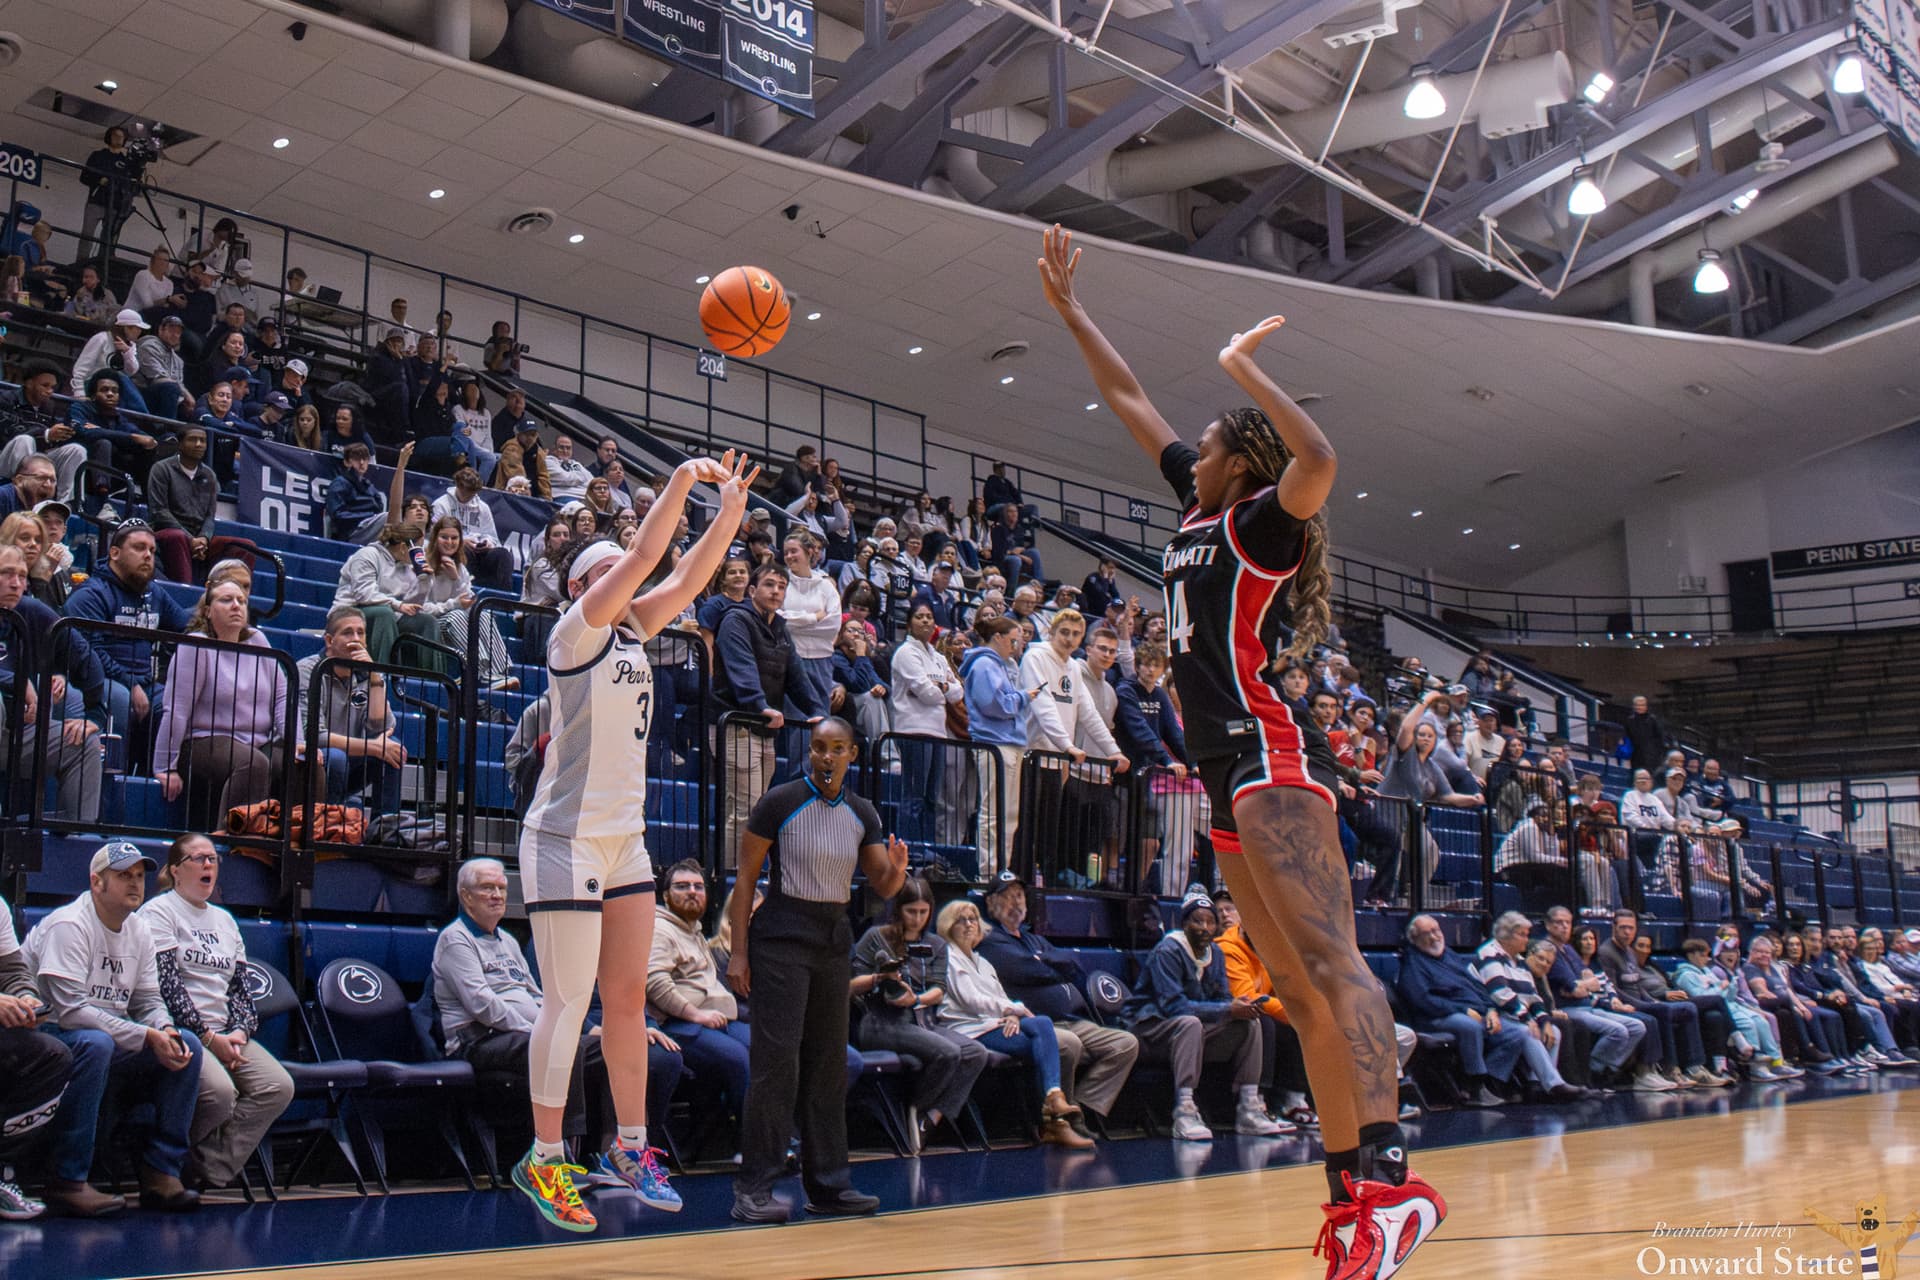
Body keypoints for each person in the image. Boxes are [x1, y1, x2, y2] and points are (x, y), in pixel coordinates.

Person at [1046, 218, 1439, 1267]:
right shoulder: (1195, 510)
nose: (1193, 449)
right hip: (1220, 774)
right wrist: (1073, 311)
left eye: (1210, 442)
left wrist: (1242, 366)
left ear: (1236, 460)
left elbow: (1321, 454)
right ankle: (1353, 1193)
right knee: (1294, 988)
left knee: (1331, 961)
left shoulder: (1267, 518)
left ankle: (1396, 1179)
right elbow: (1131, 400)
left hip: (1271, 757)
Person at [512, 452, 752, 1233]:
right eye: (613, 569)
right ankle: (545, 1158)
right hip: (563, 838)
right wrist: (683, 481)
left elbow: (683, 581)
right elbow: (653, 556)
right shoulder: (574, 633)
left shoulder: (633, 634)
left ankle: (631, 1145)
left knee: (623, 999)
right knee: (568, 999)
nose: (632, 577)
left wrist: (730, 513)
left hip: (625, 840)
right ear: (586, 585)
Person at [727, 718, 912, 1221]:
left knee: (829, 1066)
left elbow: (884, 886)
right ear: (809, 752)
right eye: (818, 748)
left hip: (832, 942)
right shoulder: (780, 802)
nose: (826, 757)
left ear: (852, 754)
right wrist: (738, 953)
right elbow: (745, 881)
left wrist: (897, 867)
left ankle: (829, 1186)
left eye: (836, 749)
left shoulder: (863, 812)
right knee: (776, 1065)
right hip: (780, 938)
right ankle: (754, 1189)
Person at [434, 858, 684, 1165]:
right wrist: (544, 1031)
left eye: (501, 887)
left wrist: (569, 1027)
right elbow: (485, 1007)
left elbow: (537, 996)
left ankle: (616, 1151)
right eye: (487, 888)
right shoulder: (455, 939)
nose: (497, 895)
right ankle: (564, 1152)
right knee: (560, 1047)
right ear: (465, 895)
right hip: (477, 1040)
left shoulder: (508, 941)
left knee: (610, 1049)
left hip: (522, 1035)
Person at [24, 843, 205, 1216]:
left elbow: (149, 1001)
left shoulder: (139, 930)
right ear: (96, 882)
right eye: (124, 875)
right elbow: (71, 1012)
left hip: (107, 1037)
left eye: (139, 876)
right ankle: (67, 1180)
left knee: (186, 1045)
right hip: (47, 1039)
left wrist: (164, 1030)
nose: (134, 884)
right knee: (96, 1043)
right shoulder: (69, 924)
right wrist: (145, 1036)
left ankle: (160, 1172)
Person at [139, 834, 293, 1189]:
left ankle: (204, 1167)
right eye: (199, 859)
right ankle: (160, 1162)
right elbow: (166, 986)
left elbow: (240, 988)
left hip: (225, 1033)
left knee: (277, 1086)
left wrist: (239, 1031)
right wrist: (209, 1038)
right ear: (176, 871)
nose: (209, 865)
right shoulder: (159, 912)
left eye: (213, 858)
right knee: (221, 1096)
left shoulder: (224, 920)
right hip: (182, 1031)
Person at [977, 873, 1141, 1132]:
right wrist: (1050, 967)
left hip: (1071, 1020)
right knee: (1070, 1045)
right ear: (990, 904)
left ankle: (1082, 1109)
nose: (1015, 903)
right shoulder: (990, 940)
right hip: (1035, 1026)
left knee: (1125, 1044)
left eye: (1019, 896)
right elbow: (1028, 970)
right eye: (1007, 898)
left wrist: (1048, 964)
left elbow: (1072, 965)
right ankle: (1060, 1120)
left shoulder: (1034, 939)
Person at [1125, 888, 1286, 1140]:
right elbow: (1174, 1007)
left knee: (1249, 1022)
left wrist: (1236, 1007)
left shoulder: (1216, 954)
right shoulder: (1168, 951)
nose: (1205, 927)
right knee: (1190, 1023)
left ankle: (1249, 1108)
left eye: (1210, 922)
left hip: (1190, 1031)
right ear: (1184, 923)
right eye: (1197, 920)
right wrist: (1227, 1008)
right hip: (1149, 1028)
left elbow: (1222, 998)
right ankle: (1184, 1111)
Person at [935, 898, 1094, 1151]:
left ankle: (1054, 1100)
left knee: (1041, 1027)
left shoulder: (983, 962)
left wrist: (1012, 1015)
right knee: (1042, 1046)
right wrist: (1012, 1009)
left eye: (973, 919)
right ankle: (1052, 1122)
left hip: (994, 1025)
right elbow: (971, 1001)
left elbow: (1001, 998)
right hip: (969, 1031)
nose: (968, 925)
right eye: (961, 920)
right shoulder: (948, 958)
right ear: (948, 927)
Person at [850, 876, 991, 1151]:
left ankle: (929, 1116)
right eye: (911, 911)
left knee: (976, 1053)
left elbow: (938, 990)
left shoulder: (937, 945)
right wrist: (880, 978)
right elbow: (849, 986)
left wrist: (915, 999)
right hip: (880, 1022)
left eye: (923, 912)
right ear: (898, 909)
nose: (917, 919)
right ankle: (915, 1106)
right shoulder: (875, 937)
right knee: (949, 1053)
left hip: (921, 1019)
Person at [156, 578, 288, 832]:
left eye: (242, 601)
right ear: (207, 611)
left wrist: (296, 741)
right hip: (202, 740)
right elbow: (177, 709)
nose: (236, 606)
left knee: (304, 763)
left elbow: (282, 695)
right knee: (254, 762)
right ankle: (233, 844)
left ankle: (301, 848)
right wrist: (165, 766)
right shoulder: (196, 644)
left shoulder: (258, 640)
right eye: (226, 600)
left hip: (257, 741)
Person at [65, 519, 194, 753]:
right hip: (99, 681)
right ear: (114, 553)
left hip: (145, 684)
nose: (148, 556)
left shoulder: (154, 593)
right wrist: (130, 683)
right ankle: (113, 780)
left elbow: (186, 627)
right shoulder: (91, 595)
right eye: (139, 548)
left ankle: (159, 779)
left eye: (152, 551)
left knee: (178, 706)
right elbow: (90, 652)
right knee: (121, 698)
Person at [712, 561, 803, 866]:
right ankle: (732, 883)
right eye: (769, 584)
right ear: (752, 590)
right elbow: (742, 670)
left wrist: (819, 711)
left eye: (781, 586)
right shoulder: (735, 620)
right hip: (737, 724)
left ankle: (743, 879)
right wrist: (758, 704)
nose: (776, 591)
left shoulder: (780, 628)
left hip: (763, 729)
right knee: (743, 811)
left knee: (754, 810)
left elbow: (798, 675)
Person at [294, 606, 407, 810]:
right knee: (337, 757)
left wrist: (374, 677)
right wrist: (372, 747)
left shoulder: (368, 673)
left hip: (351, 757)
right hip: (314, 758)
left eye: (360, 633)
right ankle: (329, 829)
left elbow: (380, 728)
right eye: (347, 632)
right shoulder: (309, 670)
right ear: (329, 640)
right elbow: (313, 735)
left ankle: (385, 831)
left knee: (393, 749)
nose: (355, 638)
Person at [960, 616, 1029, 877]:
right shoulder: (984, 665)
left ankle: (1003, 868)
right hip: (994, 744)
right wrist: (1023, 698)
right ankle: (988, 872)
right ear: (997, 638)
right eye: (1013, 640)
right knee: (993, 811)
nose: (1016, 646)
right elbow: (994, 704)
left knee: (1009, 814)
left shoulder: (1004, 666)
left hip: (1011, 744)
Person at [146, 426, 257, 585]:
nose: (199, 444)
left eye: (203, 441)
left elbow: (209, 517)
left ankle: (224, 592)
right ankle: (186, 591)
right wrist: (191, 539)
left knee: (246, 546)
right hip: (165, 533)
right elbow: (159, 511)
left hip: (199, 539)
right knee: (177, 537)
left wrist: (204, 538)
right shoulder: (162, 468)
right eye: (193, 439)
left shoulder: (210, 475)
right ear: (180, 444)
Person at [888, 601, 961, 841]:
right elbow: (926, 692)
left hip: (937, 732)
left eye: (929, 616)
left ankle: (925, 852)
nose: (926, 621)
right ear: (910, 623)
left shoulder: (939, 657)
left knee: (932, 798)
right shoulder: (905, 653)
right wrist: (943, 689)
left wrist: (941, 687)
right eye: (920, 616)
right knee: (914, 796)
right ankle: (906, 851)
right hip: (913, 731)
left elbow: (958, 693)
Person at [333, 522, 439, 666]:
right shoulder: (367, 555)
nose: (423, 553)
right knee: (384, 614)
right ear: (403, 547)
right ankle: (383, 676)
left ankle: (432, 683)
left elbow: (413, 606)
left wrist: (425, 581)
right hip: (350, 612)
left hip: (388, 615)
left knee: (427, 621)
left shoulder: (407, 568)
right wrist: (397, 605)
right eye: (419, 547)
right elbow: (364, 594)